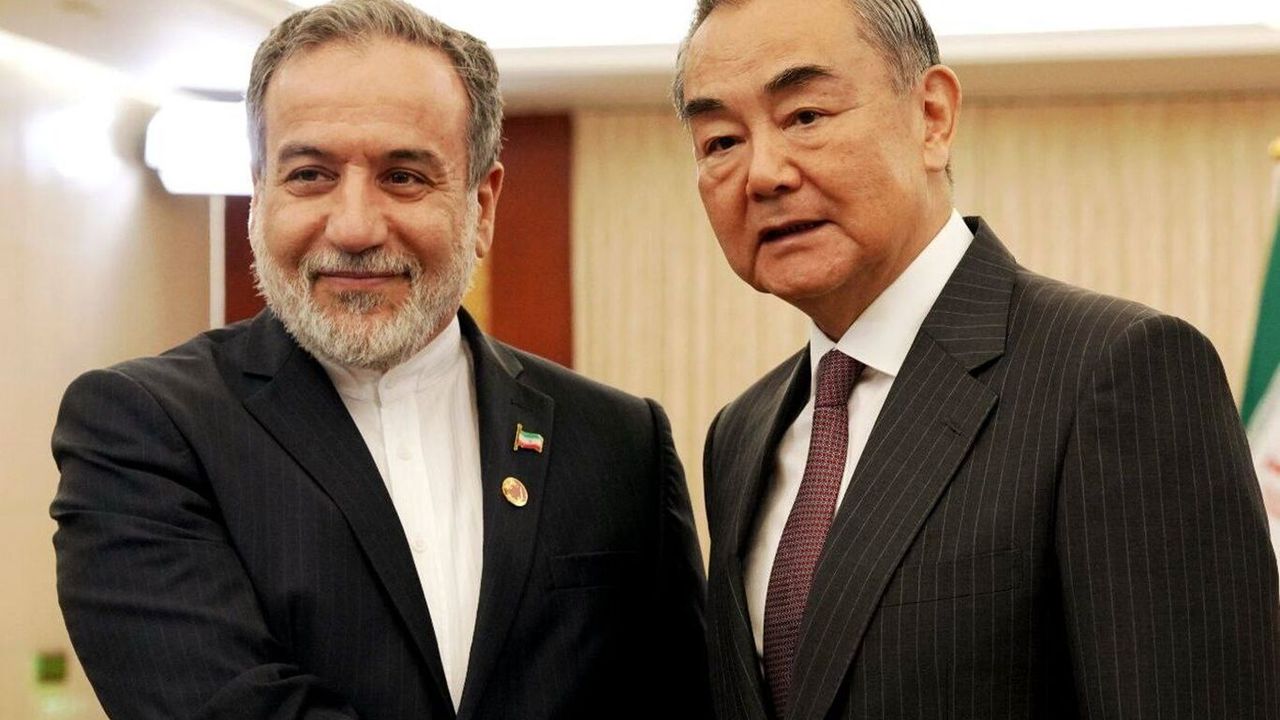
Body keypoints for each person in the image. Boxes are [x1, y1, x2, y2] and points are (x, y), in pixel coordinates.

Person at [50, 1, 710, 717]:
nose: (355, 228)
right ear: (259, 196)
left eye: (403, 177)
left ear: (482, 207)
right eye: (310, 175)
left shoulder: (618, 441)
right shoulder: (145, 430)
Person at [673, 0, 1280, 718]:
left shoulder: (1118, 370)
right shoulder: (739, 435)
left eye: (805, 116)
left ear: (932, 117)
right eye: (721, 141)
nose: (763, 174)